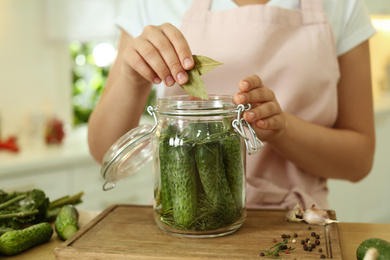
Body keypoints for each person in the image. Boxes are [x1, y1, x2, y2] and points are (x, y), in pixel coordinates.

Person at [87, 0, 376, 209]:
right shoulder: (149, 4)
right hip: (180, 224)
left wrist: (281, 130)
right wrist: (133, 78)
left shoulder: (343, 5)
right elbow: (104, 151)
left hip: (298, 225)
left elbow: (359, 161)